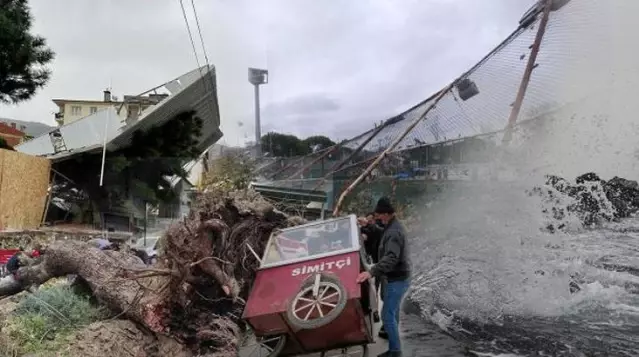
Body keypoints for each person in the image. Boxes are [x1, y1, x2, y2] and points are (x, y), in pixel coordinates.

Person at [356, 197, 411, 357]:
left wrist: (371, 272)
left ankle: (395, 352)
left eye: (379, 215)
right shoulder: (391, 226)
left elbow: (391, 258)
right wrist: (369, 225)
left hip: (397, 279)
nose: (378, 217)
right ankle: (392, 337)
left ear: (387, 214)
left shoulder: (394, 231)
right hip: (398, 276)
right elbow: (382, 234)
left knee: (387, 315)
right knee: (392, 312)